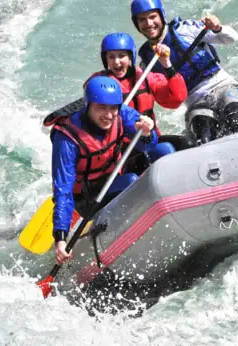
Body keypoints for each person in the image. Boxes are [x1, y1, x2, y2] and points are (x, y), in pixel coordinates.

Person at [51, 76, 159, 265]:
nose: (108, 115)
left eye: (112, 108)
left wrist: (147, 133)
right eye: (101, 108)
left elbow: (147, 146)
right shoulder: (67, 139)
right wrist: (60, 238)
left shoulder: (122, 113)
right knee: (131, 181)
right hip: (86, 198)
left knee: (164, 150)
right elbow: (64, 190)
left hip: (112, 178)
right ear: (88, 106)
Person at [130, 0, 238, 145]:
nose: (148, 23)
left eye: (152, 17)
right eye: (142, 20)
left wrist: (217, 28)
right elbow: (162, 99)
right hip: (196, 103)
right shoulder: (147, 62)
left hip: (224, 87)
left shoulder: (184, 29)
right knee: (204, 141)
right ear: (137, 24)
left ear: (161, 16)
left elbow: (232, 38)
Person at [86, 32, 191, 161]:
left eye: (121, 56)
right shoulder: (98, 84)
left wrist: (166, 64)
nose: (116, 62)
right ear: (105, 59)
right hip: (120, 148)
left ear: (131, 56)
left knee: (186, 143)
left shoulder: (145, 77)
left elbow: (176, 99)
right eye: (111, 57)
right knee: (165, 150)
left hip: (148, 138)